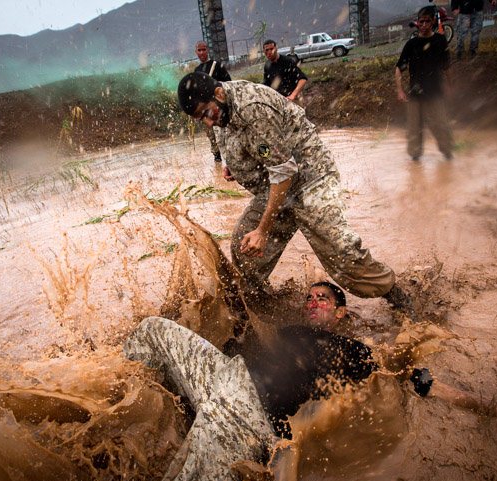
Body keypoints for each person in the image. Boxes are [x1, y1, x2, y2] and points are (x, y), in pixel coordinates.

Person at [123, 281, 497, 481]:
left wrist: (495, 407)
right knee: (152, 329)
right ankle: (133, 408)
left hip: (246, 411)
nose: (313, 301)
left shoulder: (353, 352)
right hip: (222, 375)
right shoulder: (286, 332)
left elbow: (412, 377)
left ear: (341, 312)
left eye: (323, 298)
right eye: (309, 297)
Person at [177, 71, 413, 311]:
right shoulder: (220, 109)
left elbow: (284, 172)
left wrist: (263, 230)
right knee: (243, 246)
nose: (208, 122)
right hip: (275, 187)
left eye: (206, 114)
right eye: (200, 119)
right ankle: (262, 308)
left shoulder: (254, 109)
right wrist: (234, 164)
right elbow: (240, 139)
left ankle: (397, 295)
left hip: (310, 180)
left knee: (343, 257)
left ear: (219, 94)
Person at [395, 6, 455, 162]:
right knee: (414, 129)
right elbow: (399, 69)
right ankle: (415, 159)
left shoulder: (440, 41)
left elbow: (446, 66)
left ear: (433, 21)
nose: (423, 24)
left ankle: (447, 154)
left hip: (435, 91)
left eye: (427, 21)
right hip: (415, 94)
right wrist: (400, 90)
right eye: (420, 21)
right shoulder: (412, 44)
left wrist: (449, 85)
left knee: (441, 125)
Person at [193, 40, 232, 163]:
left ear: (207, 50)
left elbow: (228, 83)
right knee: (212, 136)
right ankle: (218, 159)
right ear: (196, 52)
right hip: (206, 109)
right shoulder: (197, 70)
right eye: (199, 50)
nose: (202, 52)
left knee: (225, 134)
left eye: (204, 49)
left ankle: (229, 159)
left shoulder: (217, 65)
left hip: (220, 106)